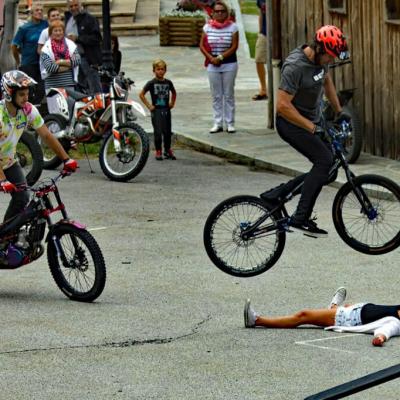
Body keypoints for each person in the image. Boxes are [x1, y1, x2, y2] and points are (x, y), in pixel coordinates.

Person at [269, 25, 351, 237]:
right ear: (319, 48)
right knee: (324, 160)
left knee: (329, 169)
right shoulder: (295, 67)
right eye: (330, 56)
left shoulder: (321, 62)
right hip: (290, 124)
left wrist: (339, 110)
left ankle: (277, 194)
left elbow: (327, 80)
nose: (331, 60)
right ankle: (300, 217)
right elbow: (282, 106)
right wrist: (313, 128)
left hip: (311, 121)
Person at [0, 70, 78, 221]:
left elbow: (47, 135)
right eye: (22, 94)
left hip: (8, 162)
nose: (26, 98)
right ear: (9, 94)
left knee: (22, 197)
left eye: (27, 93)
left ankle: (5, 237)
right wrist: (2, 179)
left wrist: (66, 159)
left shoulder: (28, 110)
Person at [244, 287, 400, 347]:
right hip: (353, 310)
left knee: (303, 315)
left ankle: (257, 320)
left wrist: (380, 339)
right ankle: (333, 307)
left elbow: (386, 331)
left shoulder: (396, 323)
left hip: (345, 319)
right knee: (329, 311)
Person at [199, 0, 239, 134]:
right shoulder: (207, 27)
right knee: (216, 95)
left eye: (222, 11)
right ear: (213, 13)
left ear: (226, 13)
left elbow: (234, 46)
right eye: (217, 11)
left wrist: (220, 57)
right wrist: (211, 58)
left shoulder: (233, 27)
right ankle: (217, 122)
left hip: (229, 64)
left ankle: (230, 123)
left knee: (228, 94)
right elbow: (202, 45)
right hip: (212, 64)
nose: (220, 14)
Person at [139, 59, 177, 161]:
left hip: (166, 110)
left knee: (167, 131)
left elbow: (174, 92)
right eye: (158, 69)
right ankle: (158, 150)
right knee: (158, 132)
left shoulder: (168, 82)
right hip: (156, 111)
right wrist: (149, 106)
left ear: (165, 70)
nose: (160, 71)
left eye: (162, 69)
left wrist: (172, 103)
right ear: (154, 70)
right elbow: (141, 94)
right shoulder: (151, 83)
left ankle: (167, 150)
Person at [11, 2, 48, 104]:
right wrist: (18, 61)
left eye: (41, 10)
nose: (39, 12)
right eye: (37, 10)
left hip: (42, 64)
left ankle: (33, 110)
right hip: (28, 64)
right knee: (29, 90)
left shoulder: (45, 24)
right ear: (31, 12)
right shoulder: (24, 28)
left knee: (41, 89)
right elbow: (14, 46)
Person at [64, 0, 102, 94]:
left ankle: (100, 107)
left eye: (76, 5)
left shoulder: (90, 19)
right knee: (80, 88)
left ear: (81, 5)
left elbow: (97, 38)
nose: (73, 8)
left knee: (94, 86)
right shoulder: (68, 19)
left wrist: (78, 38)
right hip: (73, 59)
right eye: (71, 6)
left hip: (87, 58)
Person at [39, 21, 81, 97]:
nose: (58, 33)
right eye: (55, 31)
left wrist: (59, 62)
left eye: (60, 30)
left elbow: (77, 60)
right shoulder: (45, 49)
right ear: (50, 33)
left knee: (70, 108)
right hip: (52, 87)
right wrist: (69, 65)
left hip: (69, 85)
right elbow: (50, 67)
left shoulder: (71, 45)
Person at [252, 0, 267, 101]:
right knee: (258, 59)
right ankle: (263, 89)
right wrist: (260, 31)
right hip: (264, 33)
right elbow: (261, 13)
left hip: (280, 32)